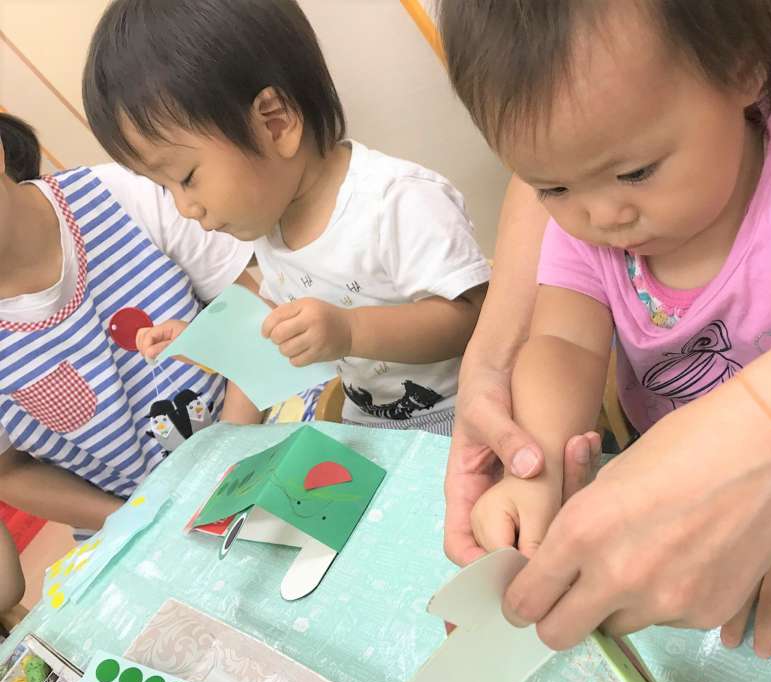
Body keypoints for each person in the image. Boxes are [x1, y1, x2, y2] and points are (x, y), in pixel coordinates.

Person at [438, 0, 771, 656]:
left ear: (743, 69)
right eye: (552, 189)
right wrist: (532, 465)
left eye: (635, 172)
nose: (602, 215)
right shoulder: (587, 220)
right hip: (686, 509)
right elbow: (562, 344)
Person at [83, 0, 491, 437]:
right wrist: (206, 341)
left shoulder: (396, 200)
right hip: (370, 421)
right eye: (166, 189)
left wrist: (350, 330)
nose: (185, 208)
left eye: (187, 178)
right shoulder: (274, 230)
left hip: (463, 409)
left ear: (275, 123)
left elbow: (473, 317)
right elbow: (277, 328)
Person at [0, 112, 254, 536]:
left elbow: (250, 310)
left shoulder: (120, 195)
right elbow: (9, 472)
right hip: (138, 520)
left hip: (256, 421)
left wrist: (230, 461)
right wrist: (140, 519)